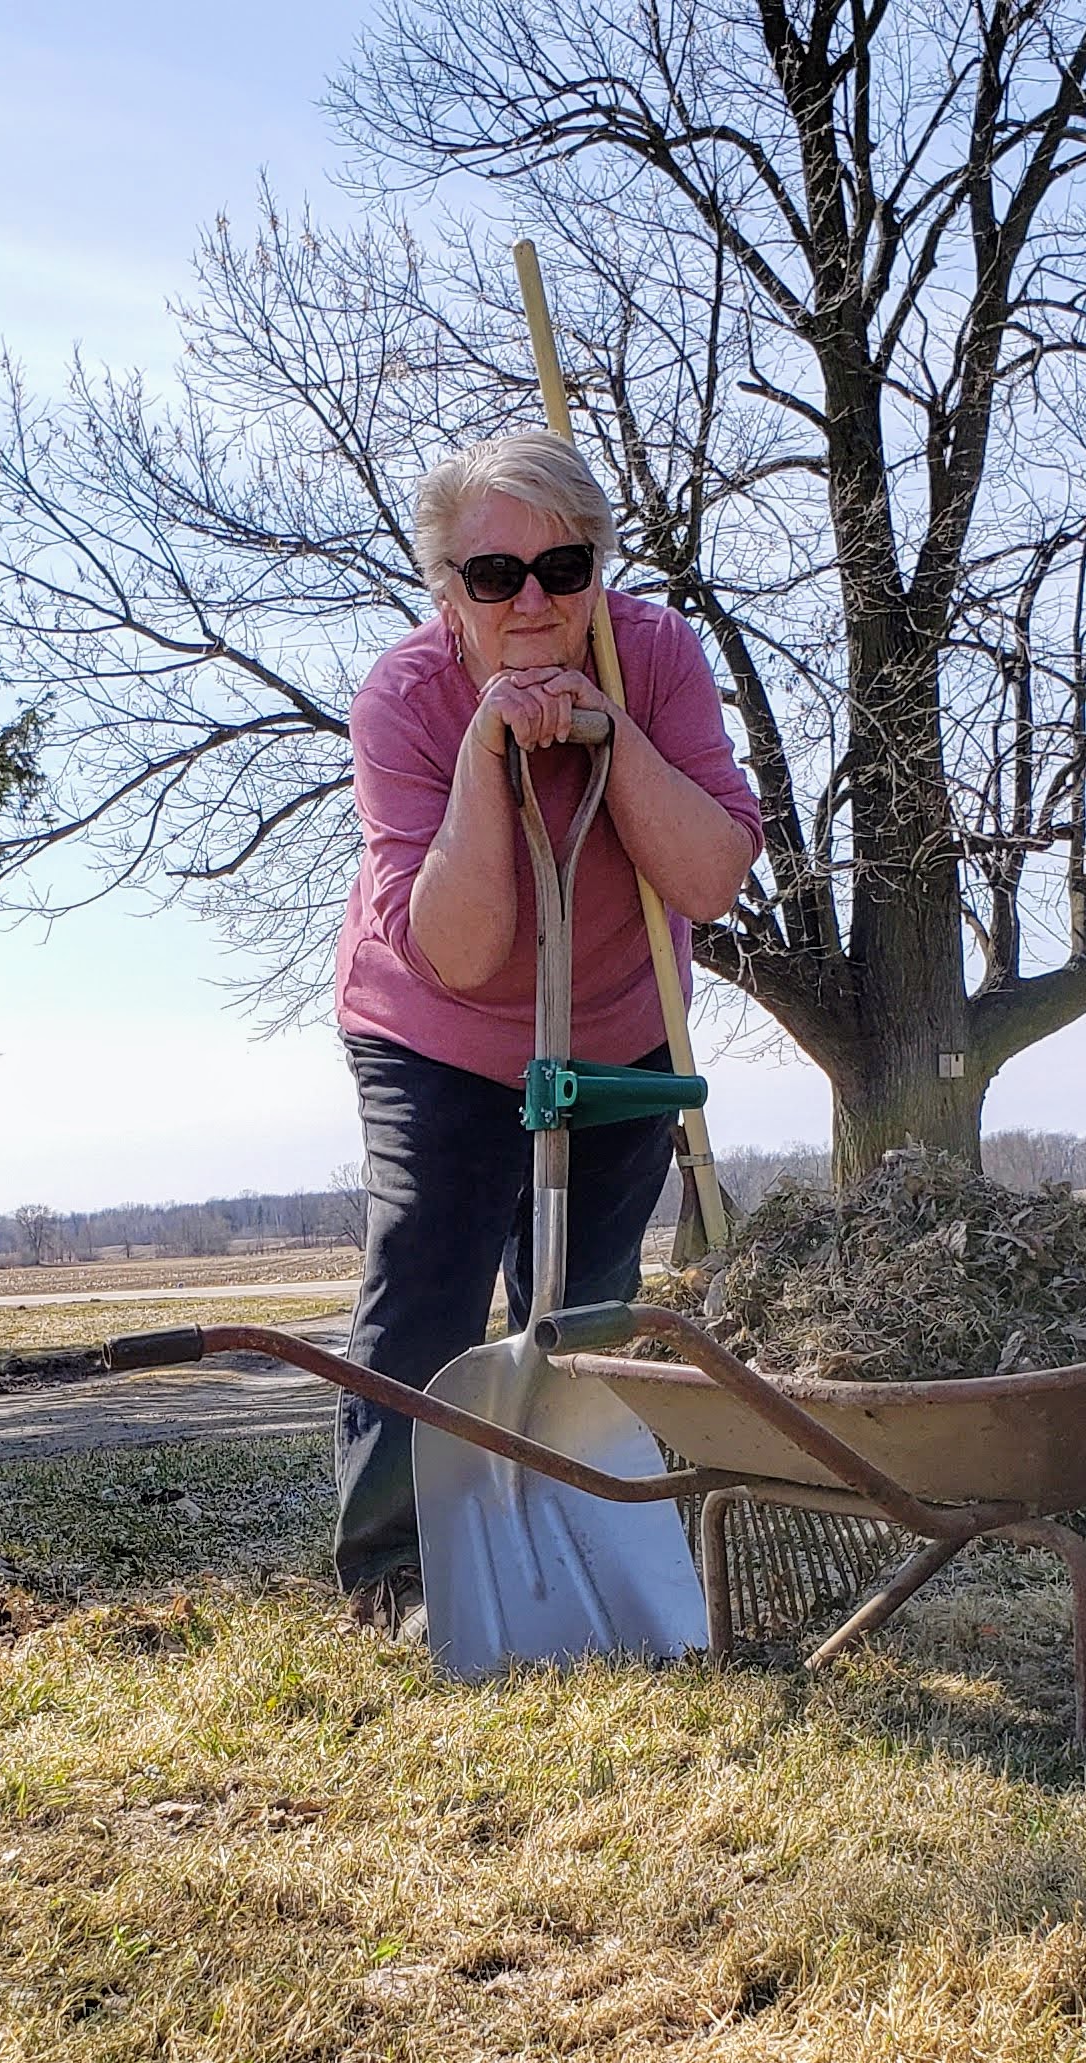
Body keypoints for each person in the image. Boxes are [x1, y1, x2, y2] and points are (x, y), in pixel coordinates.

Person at [328, 430, 763, 1630]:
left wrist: (614, 737)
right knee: (429, 1268)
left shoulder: (657, 656)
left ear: (598, 572)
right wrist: (487, 750)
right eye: (493, 574)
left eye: (564, 569)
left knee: (585, 1304)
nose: (532, 599)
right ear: (445, 590)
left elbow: (714, 872)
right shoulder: (406, 700)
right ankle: (394, 1566)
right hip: (435, 1031)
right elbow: (456, 948)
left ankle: (568, 1519)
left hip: (618, 1025)